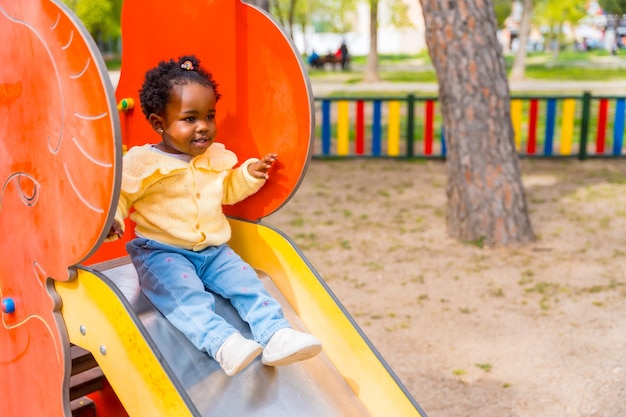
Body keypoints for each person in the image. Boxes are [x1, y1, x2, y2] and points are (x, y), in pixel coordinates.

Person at [107, 54, 322, 376]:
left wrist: (249, 173)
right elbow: (122, 196)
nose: (203, 127)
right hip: (162, 252)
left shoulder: (215, 157)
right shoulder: (144, 163)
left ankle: (275, 333)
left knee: (246, 283)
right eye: (189, 118)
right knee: (184, 296)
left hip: (213, 251)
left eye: (209, 116)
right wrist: (116, 218)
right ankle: (221, 342)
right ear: (158, 123)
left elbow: (226, 191)